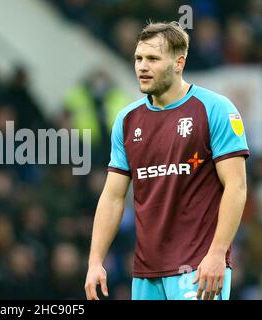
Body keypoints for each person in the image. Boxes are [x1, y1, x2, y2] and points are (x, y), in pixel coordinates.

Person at [84, 21, 250, 300]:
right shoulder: (127, 121)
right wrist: (95, 262)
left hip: (198, 266)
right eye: (138, 58)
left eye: (152, 59)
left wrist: (217, 253)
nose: (142, 67)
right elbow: (113, 197)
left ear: (178, 63)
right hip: (147, 273)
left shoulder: (215, 109)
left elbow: (237, 186)